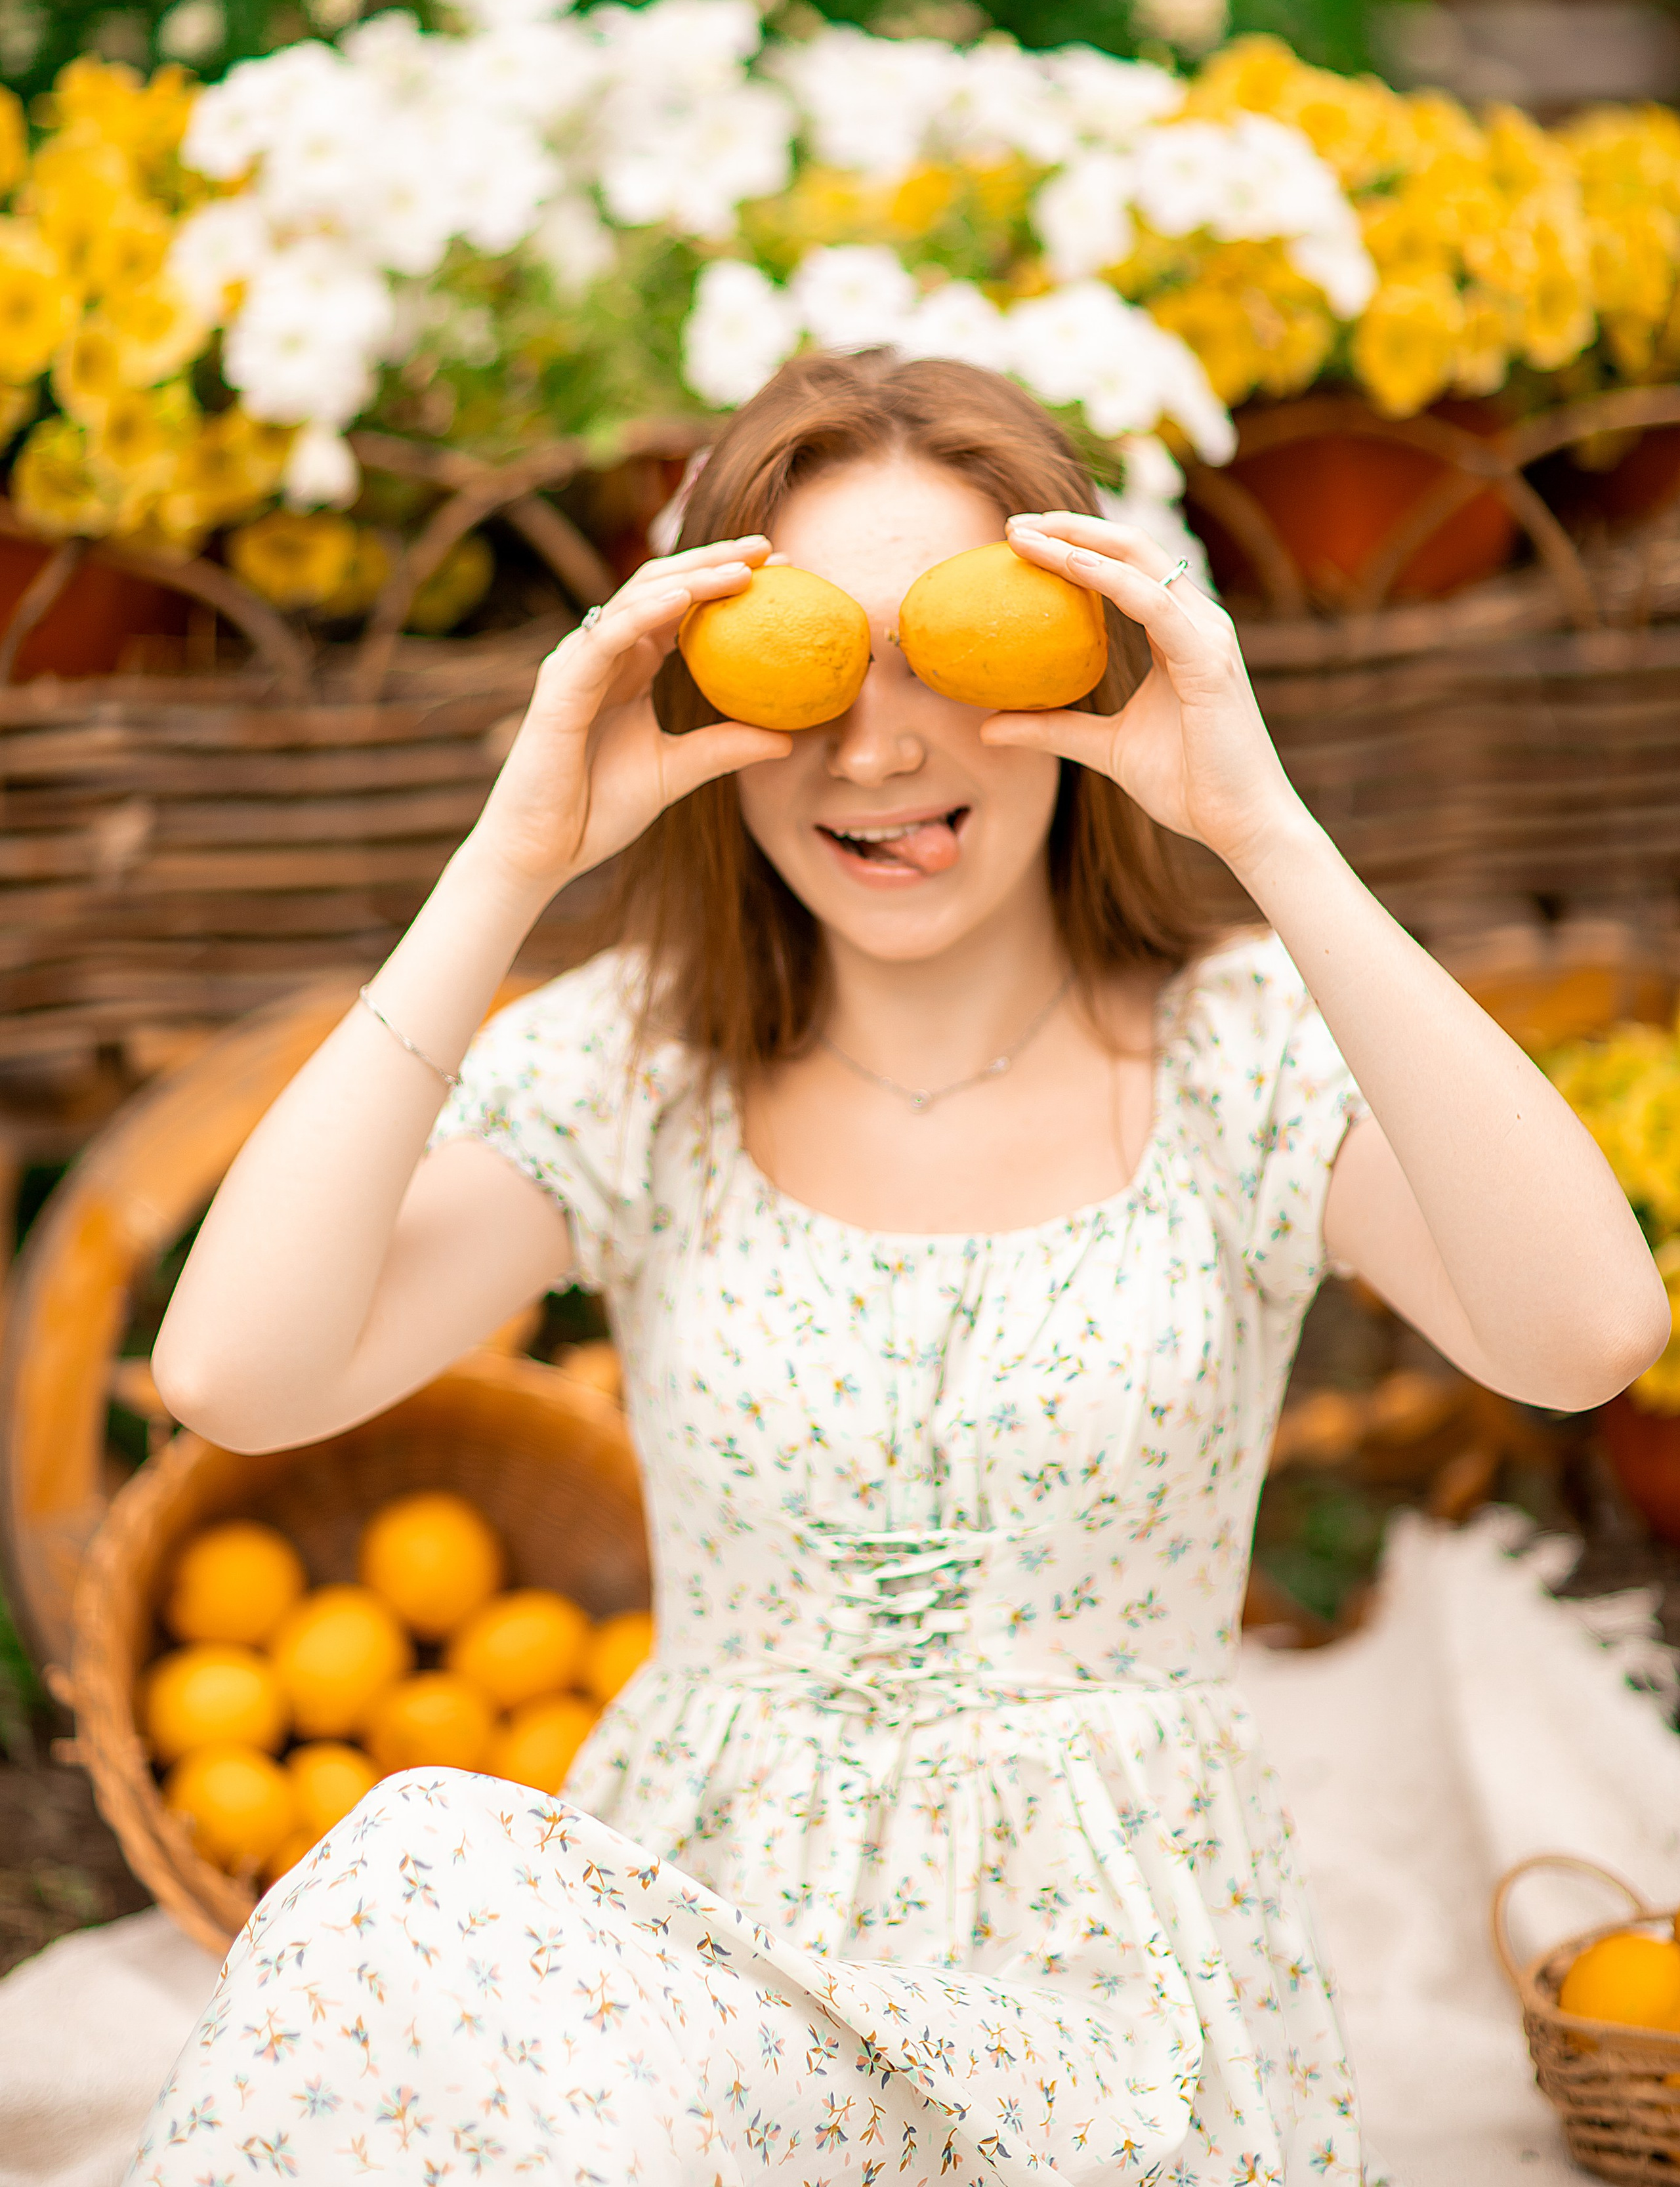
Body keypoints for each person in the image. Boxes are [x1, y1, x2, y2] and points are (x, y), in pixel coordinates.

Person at [133, 352, 1663, 2186]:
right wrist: (511, 857)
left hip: (1118, 2013)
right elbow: (235, 1372)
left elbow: (1586, 1336)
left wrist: (1264, 826)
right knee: (406, 1875)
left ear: (1075, 655)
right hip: (698, 2008)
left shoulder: (1237, 1050)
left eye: (952, 650)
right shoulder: (642, 1068)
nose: (877, 748)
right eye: (814, 665)